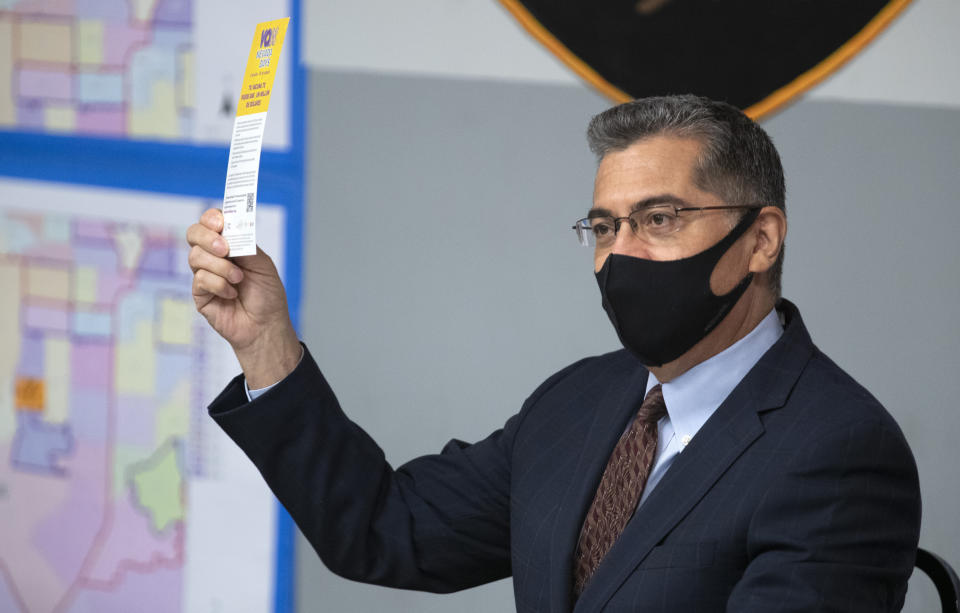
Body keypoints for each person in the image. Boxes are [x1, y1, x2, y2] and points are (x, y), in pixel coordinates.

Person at [186, 95, 921, 612]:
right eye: (603, 227)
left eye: (658, 218)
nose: (619, 255)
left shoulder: (840, 451)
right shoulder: (579, 400)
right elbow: (387, 530)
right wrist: (264, 340)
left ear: (760, 240)